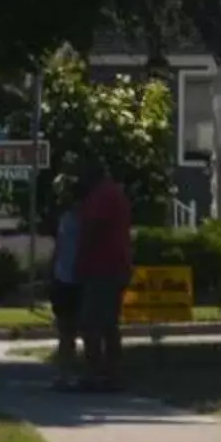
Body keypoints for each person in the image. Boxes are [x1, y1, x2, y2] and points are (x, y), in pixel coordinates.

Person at [72, 164, 134, 391]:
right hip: (115, 266)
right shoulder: (113, 193)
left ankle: (95, 375)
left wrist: (81, 262)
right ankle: (111, 374)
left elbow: (92, 230)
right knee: (108, 323)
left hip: (103, 267)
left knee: (91, 323)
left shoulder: (102, 196)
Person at [49, 173, 84, 368]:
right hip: (67, 277)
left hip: (72, 278)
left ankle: (67, 371)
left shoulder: (75, 219)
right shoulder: (70, 218)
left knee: (68, 331)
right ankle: (66, 371)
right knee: (66, 330)